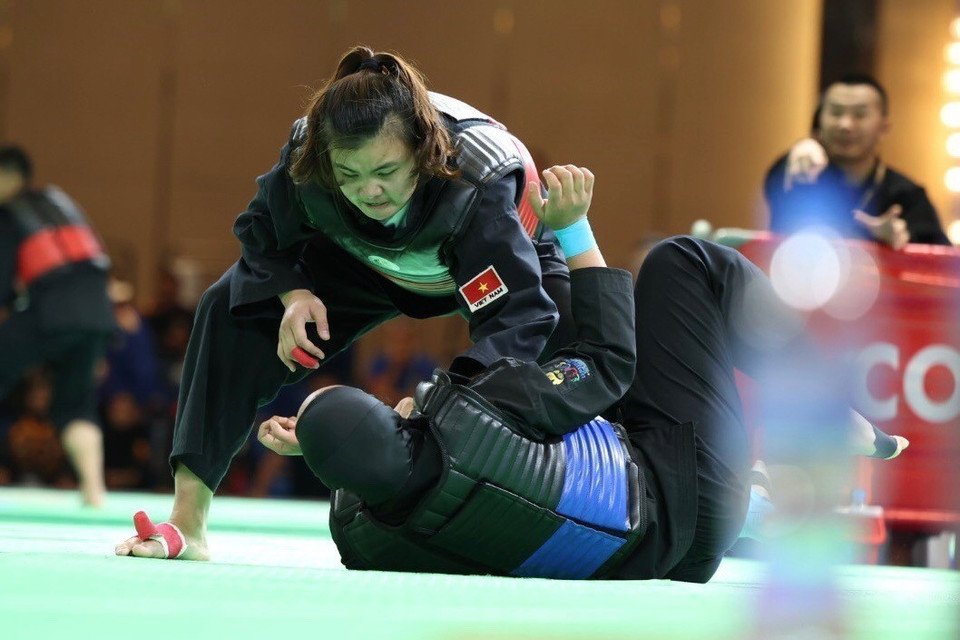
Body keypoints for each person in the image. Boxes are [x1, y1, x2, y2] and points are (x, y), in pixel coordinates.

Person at [121, 165, 906, 580]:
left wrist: (328, 443)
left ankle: (762, 499)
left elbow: (393, 468)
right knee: (684, 263)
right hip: (684, 499)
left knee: (567, 447)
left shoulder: (360, 539)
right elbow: (609, 360)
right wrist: (574, 229)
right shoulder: (474, 415)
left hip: (647, 547)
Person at [115, 45, 573, 558]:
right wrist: (294, 294)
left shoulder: (475, 184)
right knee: (229, 305)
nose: (370, 191)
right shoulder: (308, 158)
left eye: (385, 170)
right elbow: (261, 232)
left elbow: (516, 323)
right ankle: (188, 522)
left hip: (476, 265)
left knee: (567, 363)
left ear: (421, 150)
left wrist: (428, 409)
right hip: (364, 261)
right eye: (349, 175)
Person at [0, 145, 114, 506]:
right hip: (97, 313)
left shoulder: (7, 214)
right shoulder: (61, 202)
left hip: (50, 312)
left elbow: (3, 285)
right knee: (75, 405)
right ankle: (94, 490)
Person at [765, 73, 950, 249]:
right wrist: (797, 152)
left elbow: (939, 261)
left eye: (859, 115)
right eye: (836, 113)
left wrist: (901, 241)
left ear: (884, 128)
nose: (845, 125)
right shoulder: (798, 172)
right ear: (819, 122)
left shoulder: (907, 196)